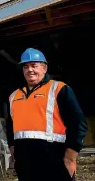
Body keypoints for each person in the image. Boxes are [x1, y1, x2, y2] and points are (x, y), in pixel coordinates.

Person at [6, 48, 87, 181]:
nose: (30, 70)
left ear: (44, 68)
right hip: (25, 164)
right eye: (25, 66)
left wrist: (70, 157)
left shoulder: (59, 89)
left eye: (34, 65)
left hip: (55, 160)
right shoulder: (14, 96)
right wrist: (14, 152)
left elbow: (78, 124)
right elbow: (10, 128)